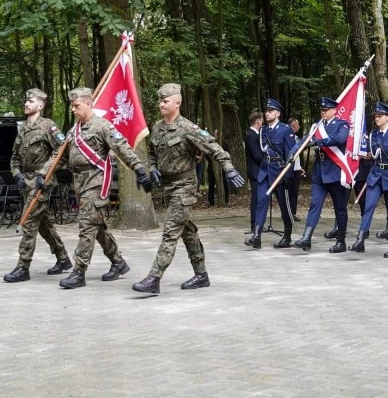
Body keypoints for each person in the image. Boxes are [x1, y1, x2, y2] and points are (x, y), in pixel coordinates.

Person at [132, 84, 245, 294]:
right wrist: (153, 168)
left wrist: (229, 169)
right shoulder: (157, 127)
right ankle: (201, 275)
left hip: (185, 187)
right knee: (187, 231)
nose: (161, 104)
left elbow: (215, 148)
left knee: (170, 230)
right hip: (168, 187)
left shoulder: (188, 129)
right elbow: (152, 153)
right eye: (160, 101)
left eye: (165, 101)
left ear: (178, 102)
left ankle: (154, 278)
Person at [58, 87, 153, 289]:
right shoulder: (73, 131)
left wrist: (139, 169)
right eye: (72, 106)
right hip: (80, 183)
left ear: (88, 104)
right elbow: (58, 155)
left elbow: (123, 148)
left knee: (86, 225)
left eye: (76, 106)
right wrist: (43, 174)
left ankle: (79, 271)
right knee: (97, 226)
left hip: (97, 181)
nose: (73, 109)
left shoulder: (103, 126)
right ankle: (118, 262)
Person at [3, 88, 72, 283]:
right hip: (26, 180)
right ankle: (63, 258)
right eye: (26, 101)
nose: (27, 104)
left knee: (29, 221)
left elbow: (61, 150)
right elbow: (14, 157)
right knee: (43, 223)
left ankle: (22, 266)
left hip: (43, 180)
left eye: (31, 101)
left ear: (40, 105)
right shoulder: (22, 128)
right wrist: (16, 174)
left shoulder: (48, 126)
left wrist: (44, 173)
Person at [349, 102, 388, 257]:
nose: (377, 118)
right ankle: (360, 240)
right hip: (375, 176)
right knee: (368, 207)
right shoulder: (373, 135)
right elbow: (371, 154)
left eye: (380, 116)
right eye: (375, 116)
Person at [292, 97, 351, 252]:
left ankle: (341, 241)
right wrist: (292, 153)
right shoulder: (316, 126)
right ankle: (306, 238)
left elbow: (340, 139)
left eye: (326, 110)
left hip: (335, 172)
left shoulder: (342, 124)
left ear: (334, 110)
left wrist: (319, 142)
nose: (323, 113)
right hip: (319, 174)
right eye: (321, 110)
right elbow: (303, 141)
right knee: (315, 205)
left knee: (340, 208)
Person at [245, 98, 297, 249]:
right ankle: (257, 236)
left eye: (270, 111)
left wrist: (288, 175)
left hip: (279, 171)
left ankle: (287, 236)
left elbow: (291, 155)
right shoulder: (263, 131)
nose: (267, 114)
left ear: (278, 113)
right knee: (261, 203)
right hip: (265, 170)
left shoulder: (286, 130)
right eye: (266, 111)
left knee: (283, 205)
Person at [245, 111, 264, 233]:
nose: (262, 123)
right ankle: (254, 224)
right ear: (257, 121)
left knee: (259, 198)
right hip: (256, 172)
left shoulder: (255, 134)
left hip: (258, 171)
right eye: (261, 120)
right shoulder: (251, 135)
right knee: (256, 198)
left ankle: (258, 223)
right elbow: (257, 155)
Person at [287, 117, 303, 221]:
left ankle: (293, 212)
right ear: (293, 125)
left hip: (297, 168)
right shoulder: (287, 138)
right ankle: (287, 212)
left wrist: (300, 167)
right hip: (289, 168)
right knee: (288, 191)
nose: (299, 126)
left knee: (295, 191)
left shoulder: (298, 139)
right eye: (297, 124)